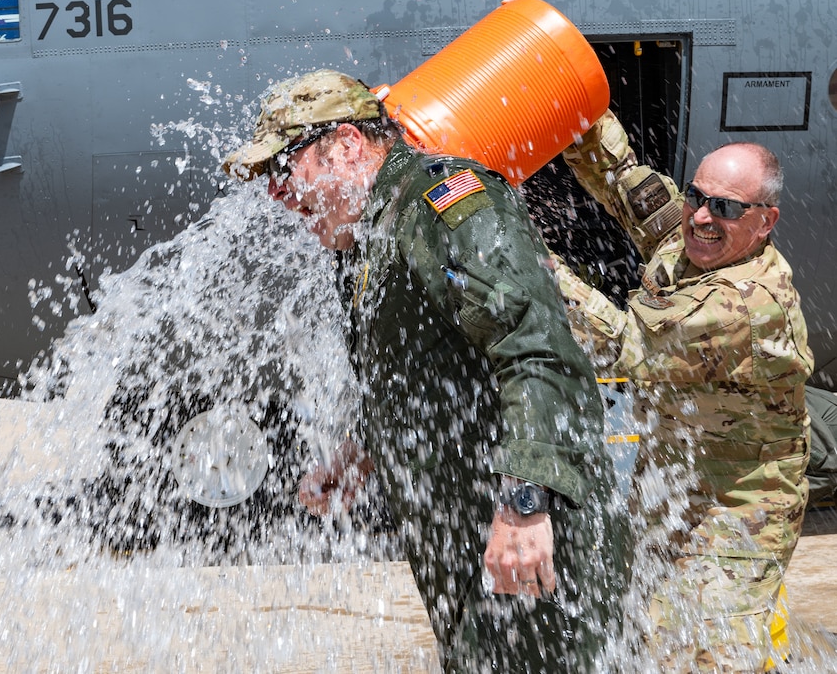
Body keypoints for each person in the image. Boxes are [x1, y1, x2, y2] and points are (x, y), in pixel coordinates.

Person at [223, 69, 629, 673]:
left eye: (285, 168)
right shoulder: (369, 234)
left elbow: (536, 351)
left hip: (532, 540)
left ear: (347, 144)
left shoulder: (445, 207)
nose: (277, 195)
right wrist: (363, 452)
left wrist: (525, 503)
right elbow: (423, 373)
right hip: (472, 544)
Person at [549, 109, 814, 672]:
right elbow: (622, 178)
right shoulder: (696, 236)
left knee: (704, 655)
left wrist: (527, 259)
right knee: (642, 635)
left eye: (726, 208)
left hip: (739, 510)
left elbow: (622, 344)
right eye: (696, 196)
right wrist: (575, 110)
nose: (702, 217)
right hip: (670, 485)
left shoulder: (747, 305)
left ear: (765, 222)